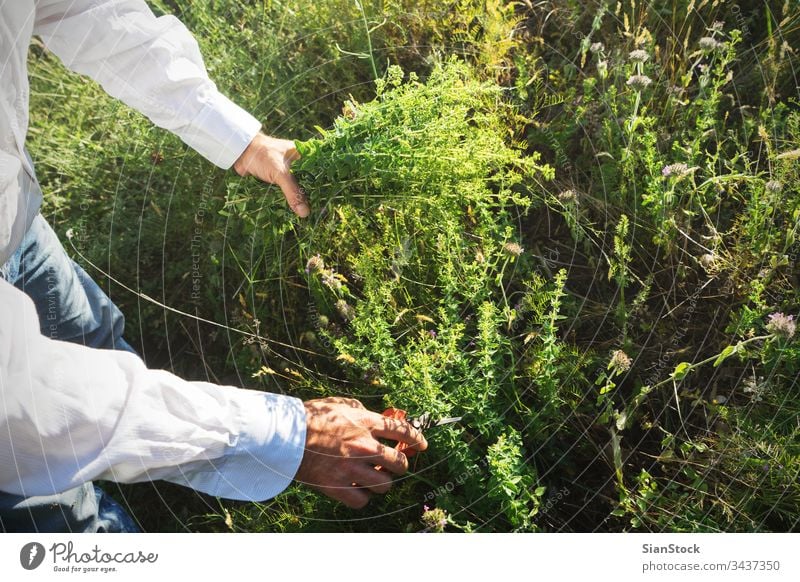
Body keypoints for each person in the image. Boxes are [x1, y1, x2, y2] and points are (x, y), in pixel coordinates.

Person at [0, 0, 426, 532]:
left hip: (15, 223)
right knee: (57, 514)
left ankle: (148, 474)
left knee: (93, 336)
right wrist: (291, 436)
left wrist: (238, 139)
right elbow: (24, 405)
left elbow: (87, 9)